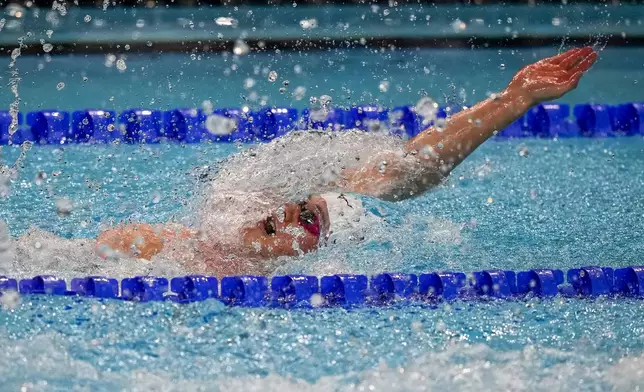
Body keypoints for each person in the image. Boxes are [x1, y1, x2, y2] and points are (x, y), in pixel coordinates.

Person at [95, 47, 598, 276]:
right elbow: (406, 167)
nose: (291, 213)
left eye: (309, 221)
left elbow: (408, 172)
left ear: (316, 256)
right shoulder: (207, 232)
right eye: (303, 207)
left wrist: (515, 102)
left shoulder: (284, 282)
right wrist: (510, 99)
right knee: (396, 177)